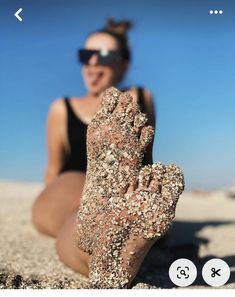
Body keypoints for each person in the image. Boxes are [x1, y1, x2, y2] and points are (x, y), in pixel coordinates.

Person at [31, 19, 156, 276]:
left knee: (123, 204)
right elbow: (52, 169)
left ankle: (111, 241)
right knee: (79, 209)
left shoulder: (139, 99)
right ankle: (103, 249)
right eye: (86, 55)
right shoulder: (61, 108)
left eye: (105, 57)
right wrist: (50, 198)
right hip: (71, 189)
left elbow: (147, 160)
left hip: (124, 193)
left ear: (123, 64)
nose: (93, 64)